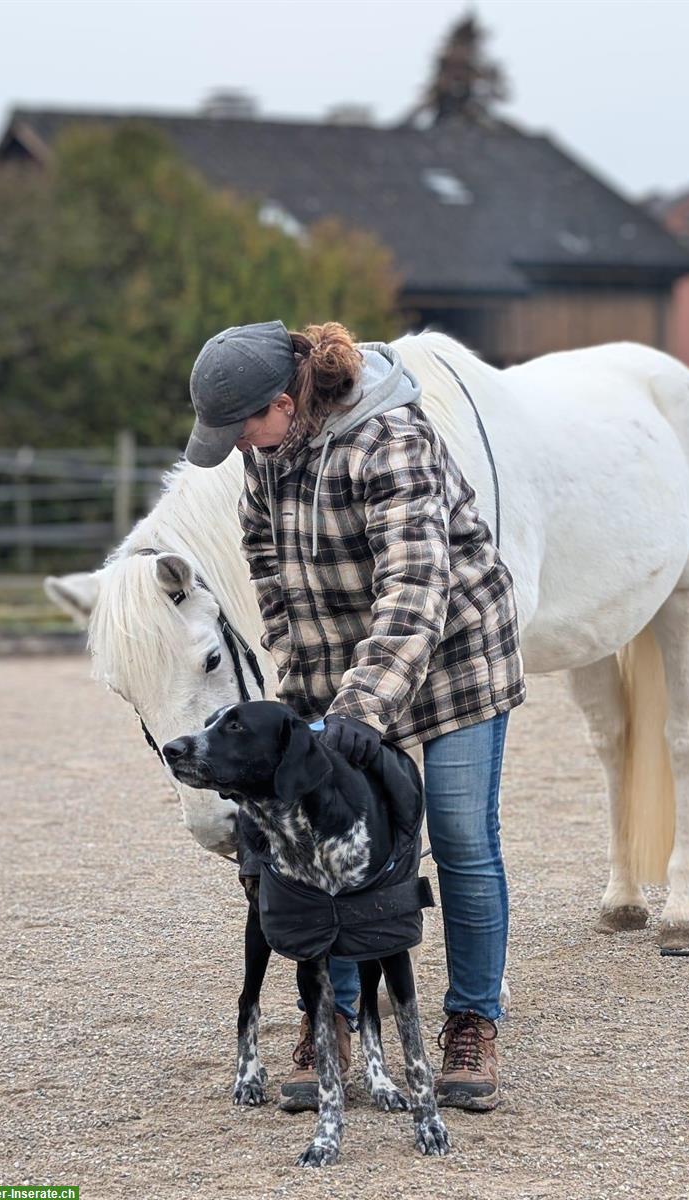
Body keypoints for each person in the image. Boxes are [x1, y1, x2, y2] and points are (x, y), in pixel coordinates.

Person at [185, 319, 525, 1112]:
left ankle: (474, 1020)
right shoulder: (269, 452)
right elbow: (265, 561)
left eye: (242, 429)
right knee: (316, 844)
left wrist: (362, 711)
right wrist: (300, 673)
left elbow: (414, 593)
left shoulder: (392, 439)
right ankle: (332, 1015)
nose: (238, 446)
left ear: (283, 399)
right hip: (339, 678)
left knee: (461, 836)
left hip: (450, 660)